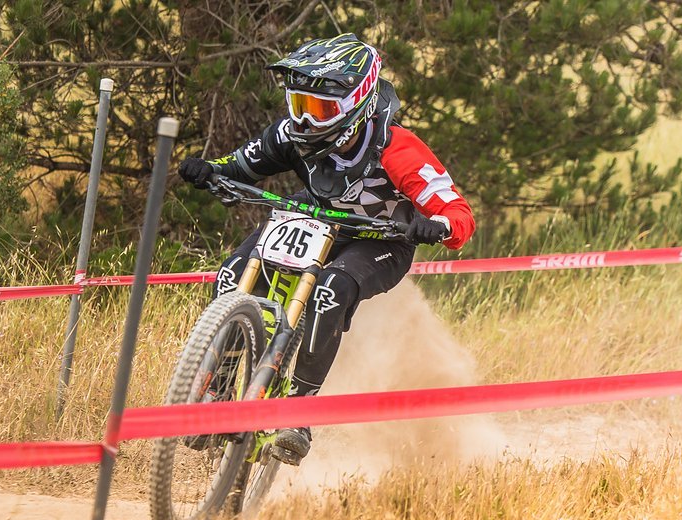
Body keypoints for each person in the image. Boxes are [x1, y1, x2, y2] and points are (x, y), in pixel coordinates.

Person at [177, 33, 475, 465]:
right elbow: (240, 166)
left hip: (381, 239)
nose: (304, 120)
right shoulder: (290, 134)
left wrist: (438, 226)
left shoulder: (399, 149)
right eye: (298, 105)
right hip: (315, 217)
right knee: (231, 274)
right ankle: (216, 390)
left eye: (319, 110)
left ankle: (298, 414)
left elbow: (459, 214)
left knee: (330, 290)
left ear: (357, 104)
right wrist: (211, 171)